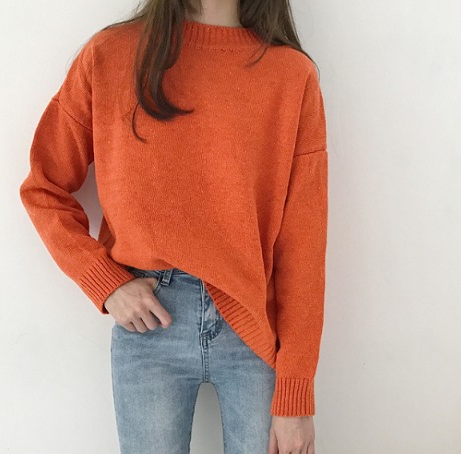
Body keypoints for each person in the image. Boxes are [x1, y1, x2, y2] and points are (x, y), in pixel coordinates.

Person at [19, 0, 328, 452]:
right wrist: (105, 282)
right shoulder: (110, 56)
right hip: (149, 325)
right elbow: (44, 187)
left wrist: (297, 393)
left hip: (255, 327)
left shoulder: (290, 75)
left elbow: (303, 247)